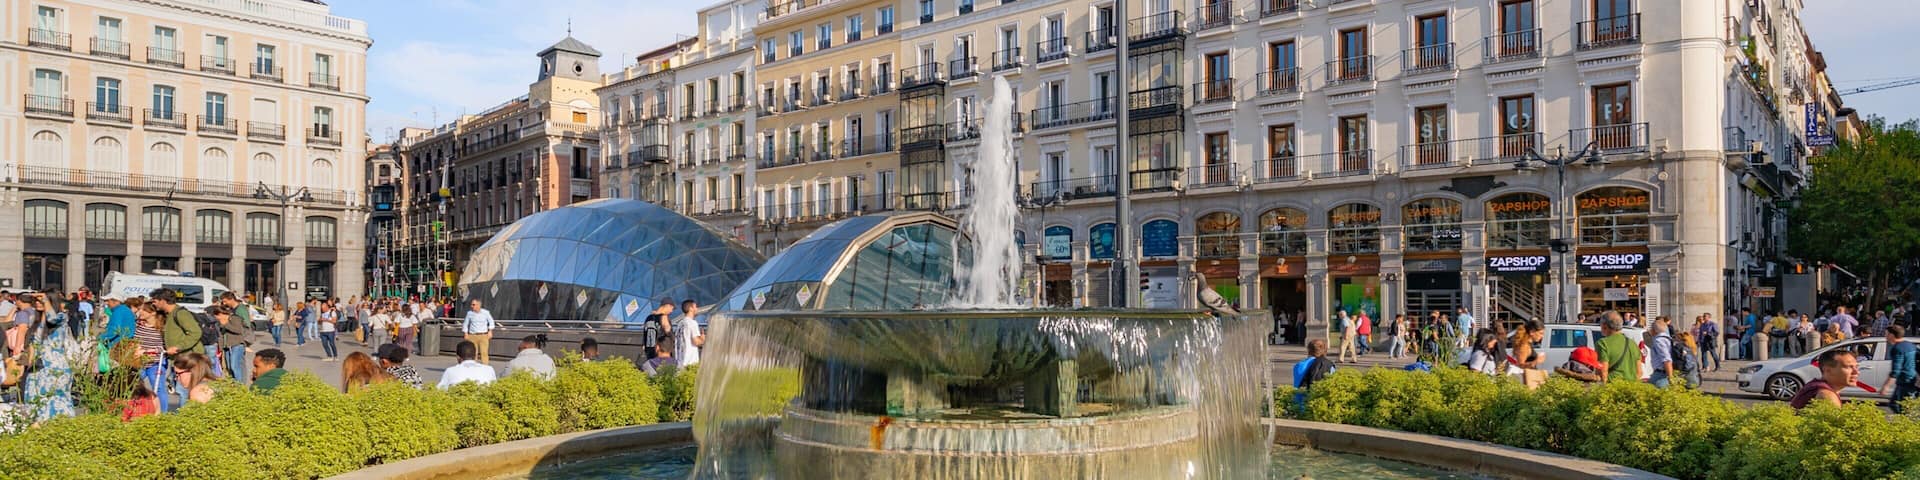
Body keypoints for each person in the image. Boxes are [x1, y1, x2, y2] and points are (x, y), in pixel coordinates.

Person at [1790, 348, 1858, 410]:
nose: (1856, 372)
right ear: (1827, 370)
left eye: (1856, 367)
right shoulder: (1826, 395)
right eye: (1848, 367)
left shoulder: (1817, 385)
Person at [151, 288, 201, 360]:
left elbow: (196, 332)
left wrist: (178, 347)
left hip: (187, 359)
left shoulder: (181, 313)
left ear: (163, 301)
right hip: (177, 358)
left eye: (154, 301)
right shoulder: (168, 314)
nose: (153, 304)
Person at [1594, 312, 1641, 384]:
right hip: (1632, 386)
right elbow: (1639, 372)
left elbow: (1602, 372)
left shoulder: (1602, 343)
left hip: (1612, 386)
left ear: (1604, 326)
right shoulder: (1632, 343)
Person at [1291, 339, 1335, 410]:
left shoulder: (1298, 365)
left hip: (1299, 405)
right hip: (1319, 406)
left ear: (1308, 350)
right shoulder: (1328, 365)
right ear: (1325, 350)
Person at [1883, 326, 1918, 413]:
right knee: (1894, 404)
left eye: (1886, 334)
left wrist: (1886, 386)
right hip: (1911, 379)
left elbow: (1896, 370)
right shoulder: (1910, 345)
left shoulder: (1897, 348)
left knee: (1903, 408)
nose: (1885, 337)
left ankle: (1906, 420)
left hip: (1905, 380)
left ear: (1891, 335)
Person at [217, 296, 251, 385]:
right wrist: (220, 348)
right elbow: (221, 335)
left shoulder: (235, 318)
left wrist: (226, 324)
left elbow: (238, 330)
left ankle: (239, 385)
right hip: (227, 346)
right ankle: (233, 385)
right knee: (229, 367)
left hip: (236, 344)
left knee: (235, 366)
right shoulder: (221, 322)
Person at [1511, 321, 1546, 389]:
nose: (1542, 336)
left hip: (1529, 377)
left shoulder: (1527, 344)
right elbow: (1520, 365)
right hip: (1526, 379)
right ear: (1532, 332)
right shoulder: (1524, 346)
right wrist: (1535, 361)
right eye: (1540, 333)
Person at [462, 299, 497, 365]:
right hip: (472, 335)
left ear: (478, 305)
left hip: (483, 335)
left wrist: (490, 331)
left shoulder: (486, 313)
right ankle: (473, 366)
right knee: (473, 353)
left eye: (473, 305)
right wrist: (465, 333)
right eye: (471, 304)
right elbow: (465, 323)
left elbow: (491, 321)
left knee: (484, 353)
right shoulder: (469, 313)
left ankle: (485, 367)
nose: (471, 306)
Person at [1647, 317, 1675, 388]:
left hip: (1661, 374)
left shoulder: (1659, 341)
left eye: (1651, 328)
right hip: (1664, 373)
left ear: (1654, 330)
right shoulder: (1667, 339)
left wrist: (1670, 378)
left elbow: (1666, 359)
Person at [677, 300, 706, 366]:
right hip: (690, 361)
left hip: (681, 361)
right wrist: (703, 338)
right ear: (691, 309)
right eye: (695, 307)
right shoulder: (692, 323)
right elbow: (696, 342)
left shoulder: (680, 323)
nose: (697, 309)